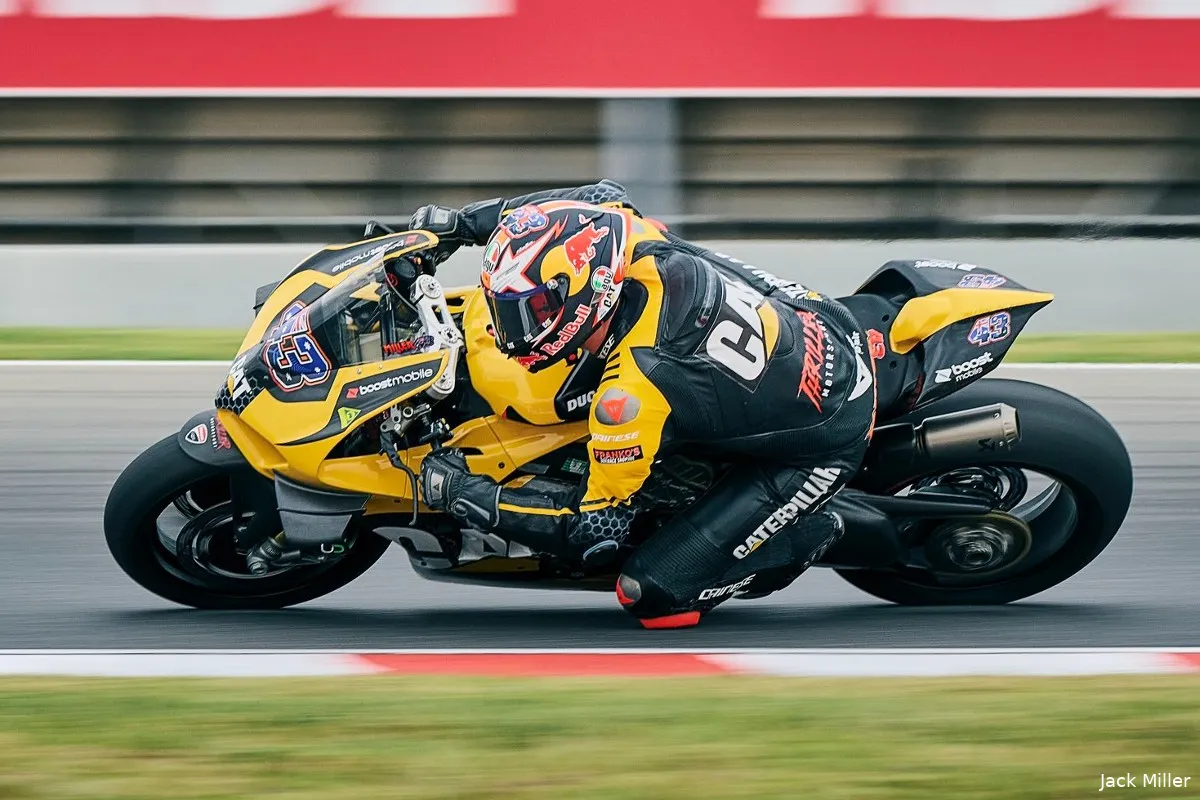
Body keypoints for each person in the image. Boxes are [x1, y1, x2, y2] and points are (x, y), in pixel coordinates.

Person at [411, 180, 877, 629]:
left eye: (529, 311)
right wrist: (463, 224)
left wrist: (465, 494)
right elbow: (594, 196)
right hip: (818, 317)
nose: (509, 327)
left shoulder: (630, 394)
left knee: (652, 593)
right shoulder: (620, 231)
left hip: (827, 430)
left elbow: (592, 527)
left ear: (582, 297)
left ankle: (812, 529)